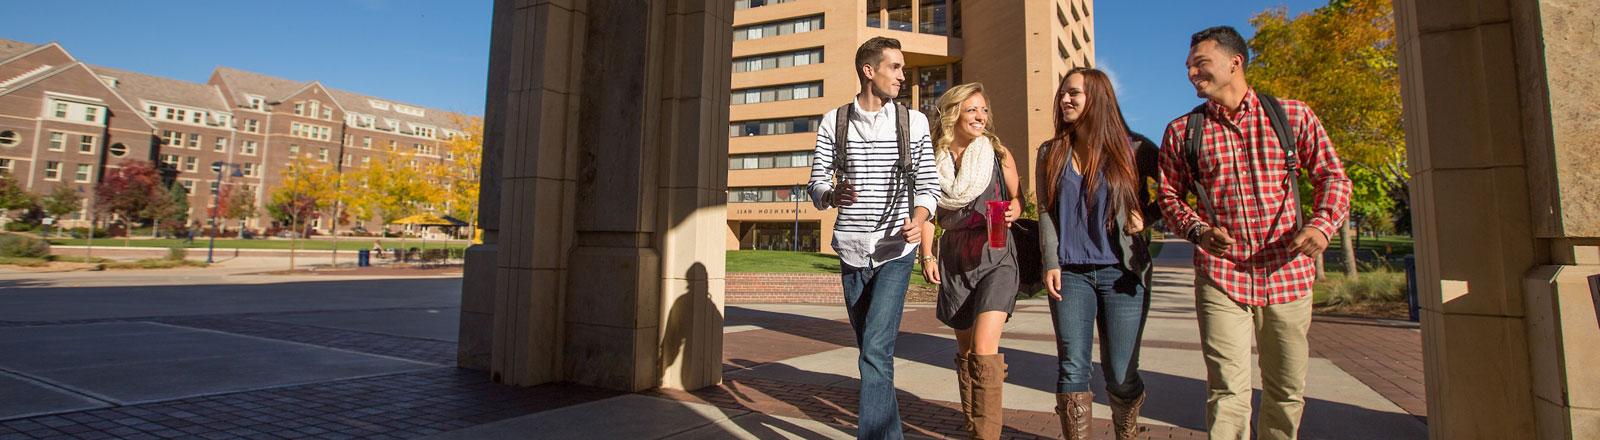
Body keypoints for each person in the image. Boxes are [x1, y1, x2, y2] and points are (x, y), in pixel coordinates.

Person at [1156, 26, 1352, 440]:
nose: (1192, 73)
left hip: (1287, 274)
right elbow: (1170, 197)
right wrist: (1198, 231)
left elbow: (1333, 177)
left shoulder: (1292, 116)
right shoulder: (1182, 132)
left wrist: (1321, 225)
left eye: (1200, 64)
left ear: (1234, 62)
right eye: (1189, 66)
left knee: (1286, 390)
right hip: (1222, 276)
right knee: (1227, 390)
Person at [806, 36, 939, 440]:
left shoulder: (913, 122)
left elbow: (929, 187)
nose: (902, 75)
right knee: (871, 353)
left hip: (896, 251)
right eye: (894, 67)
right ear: (869, 71)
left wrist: (919, 219)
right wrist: (832, 194)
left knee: (876, 352)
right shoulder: (835, 121)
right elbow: (815, 186)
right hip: (851, 250)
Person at [1036, 67, 1161, 440]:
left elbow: (1175, 193)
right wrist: (1050, 261)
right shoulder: (1051, 151)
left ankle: (1127, 432)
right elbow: (1045, 210)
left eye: (1074, 93)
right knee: (1072, 367)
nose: (1065, 99)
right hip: (1070, 275)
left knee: (1120, 373)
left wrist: (1147, 217)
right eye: (1062, 93)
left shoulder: (1135, 148)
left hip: (1122, 276)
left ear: (1098, 97)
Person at [916, 82, 1021, 439]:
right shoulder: (931, 159)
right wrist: (927, 254)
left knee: (983, 348)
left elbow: (1016, 198)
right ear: (953, 113)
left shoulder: (997, 152)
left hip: (996, 252)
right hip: (956, 258)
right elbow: (928, 211)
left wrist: (1015, 209)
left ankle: (985, 436)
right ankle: (974, 426)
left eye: (984, 110)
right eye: (972, 109)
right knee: (966, 354)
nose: (980, 116)